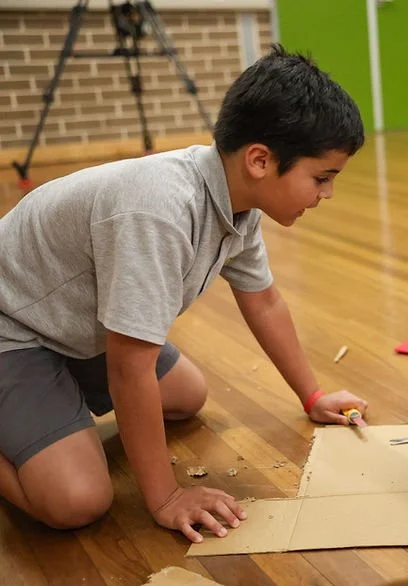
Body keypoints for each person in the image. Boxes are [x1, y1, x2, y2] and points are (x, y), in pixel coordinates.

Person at [0, 46, 369, 545]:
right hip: (16, 328)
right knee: (77, 501)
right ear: (259, 159)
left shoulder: (239, 204)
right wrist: (166, 496)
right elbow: (129, 367)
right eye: (321, 178)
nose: (326, 194)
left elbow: (263, 301)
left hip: (71, 325)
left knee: (185, 395)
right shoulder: (158, 210)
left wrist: (314, 395)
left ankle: (49, 402)